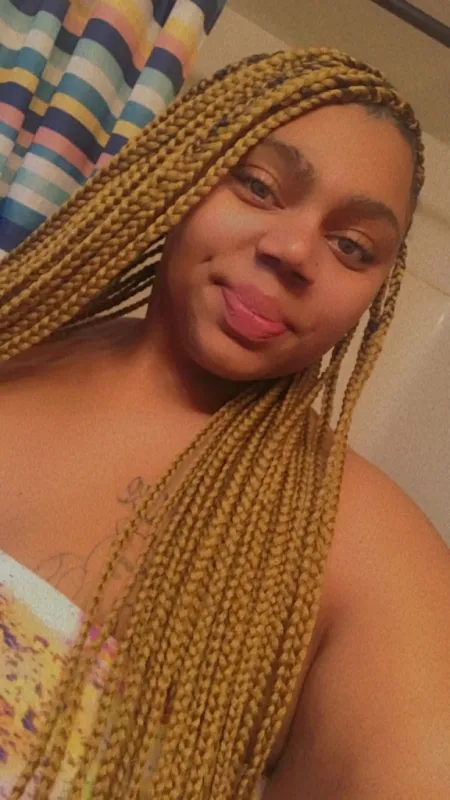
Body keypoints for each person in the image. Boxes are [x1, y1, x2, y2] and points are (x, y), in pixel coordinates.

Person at [0, 47, 449, 799]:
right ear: (183, 165)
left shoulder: (371, 551)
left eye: (352, 246)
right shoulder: (18, 339)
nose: (295, 251)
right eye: (260, 186)